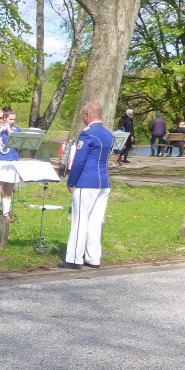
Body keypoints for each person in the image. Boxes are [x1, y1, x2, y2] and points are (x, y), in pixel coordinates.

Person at [58, 102, 114, 270]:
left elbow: (79, 160)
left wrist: (71, 181)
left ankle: (74, 258)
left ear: (88, 115)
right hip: (104, 181)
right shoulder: (109, 134)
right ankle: (93, 258)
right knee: (95, 222)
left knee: (80, 220)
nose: (83, 118)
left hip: (87, 181)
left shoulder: (87, 134)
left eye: (83, 115)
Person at [0, 106, 21, 219]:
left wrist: (9, 131)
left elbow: (17, 143)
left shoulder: (17, 130)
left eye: (14, 119)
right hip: (0, 162)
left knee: (8, 191)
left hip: (12, 162)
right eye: (11, 119)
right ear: (5, 118)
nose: (13, 121)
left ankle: (6, 214)